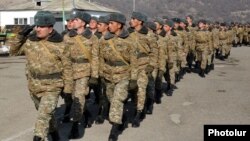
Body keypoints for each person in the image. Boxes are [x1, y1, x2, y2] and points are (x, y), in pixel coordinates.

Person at [10, 11, 73, 141]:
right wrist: (20, 35)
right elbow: (13, 52)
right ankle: (54, 133)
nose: (38, 29)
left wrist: (68, 89)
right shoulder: (30, 41)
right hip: (34, 85)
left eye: (42, 27)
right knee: (45, 114)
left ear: (50, 29)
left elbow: (68, 68)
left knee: (43, 116)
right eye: (37, 26)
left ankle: (38, 137)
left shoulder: (60, 45)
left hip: (52, 86)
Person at [99, 12, 138, 141]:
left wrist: (133, 79)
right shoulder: (104, 40)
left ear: (119, 25)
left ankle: (114, 130)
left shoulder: (130, 41)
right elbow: (100, 58)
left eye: (111, 23)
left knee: (117, 100)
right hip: (108, 76)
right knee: (111, 98)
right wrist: (100, 73)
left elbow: (134, 62)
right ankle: (123, 118)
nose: (108, 26)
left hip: (123, 76)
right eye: (108, 23)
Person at [63, 9, 99, 139]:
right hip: (69, 72)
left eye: (76, 20)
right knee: (72, 98)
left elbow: (95, 57)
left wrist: (94, 75)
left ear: (83, 23)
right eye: (72, 20)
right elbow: (64, 57)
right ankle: (87, 113)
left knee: (78, 97)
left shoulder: (92, 38)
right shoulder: (67, 37)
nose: (72, 22)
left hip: (84, 71)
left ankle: (75, 125)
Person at [128, 12, 157, 127]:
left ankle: (138, 113)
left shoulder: (149, 34)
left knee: (141, 89)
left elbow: (154, 51)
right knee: (133, 90)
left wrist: (151, 65)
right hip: (131, 67)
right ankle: (139, 106)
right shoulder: (128, 33)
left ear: (140, 21)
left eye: (134, 19)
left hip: (143, 66)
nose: (131, 20)